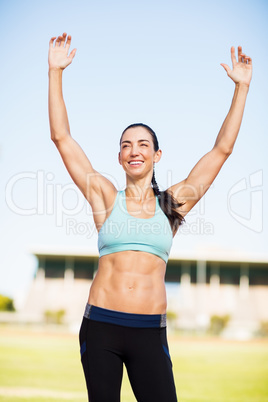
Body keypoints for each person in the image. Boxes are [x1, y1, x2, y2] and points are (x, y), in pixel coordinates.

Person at [48, 33, 252, 402]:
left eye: (143, 144)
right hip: (101, 326)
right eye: (126, 145)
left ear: (157, 155)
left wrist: (241, 88)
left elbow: (221, 150)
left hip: (148, 330)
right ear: (120, 157)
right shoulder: (105, 196)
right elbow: (62, 137)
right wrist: (55, 72)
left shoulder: (173, 203)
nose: (134, 150)